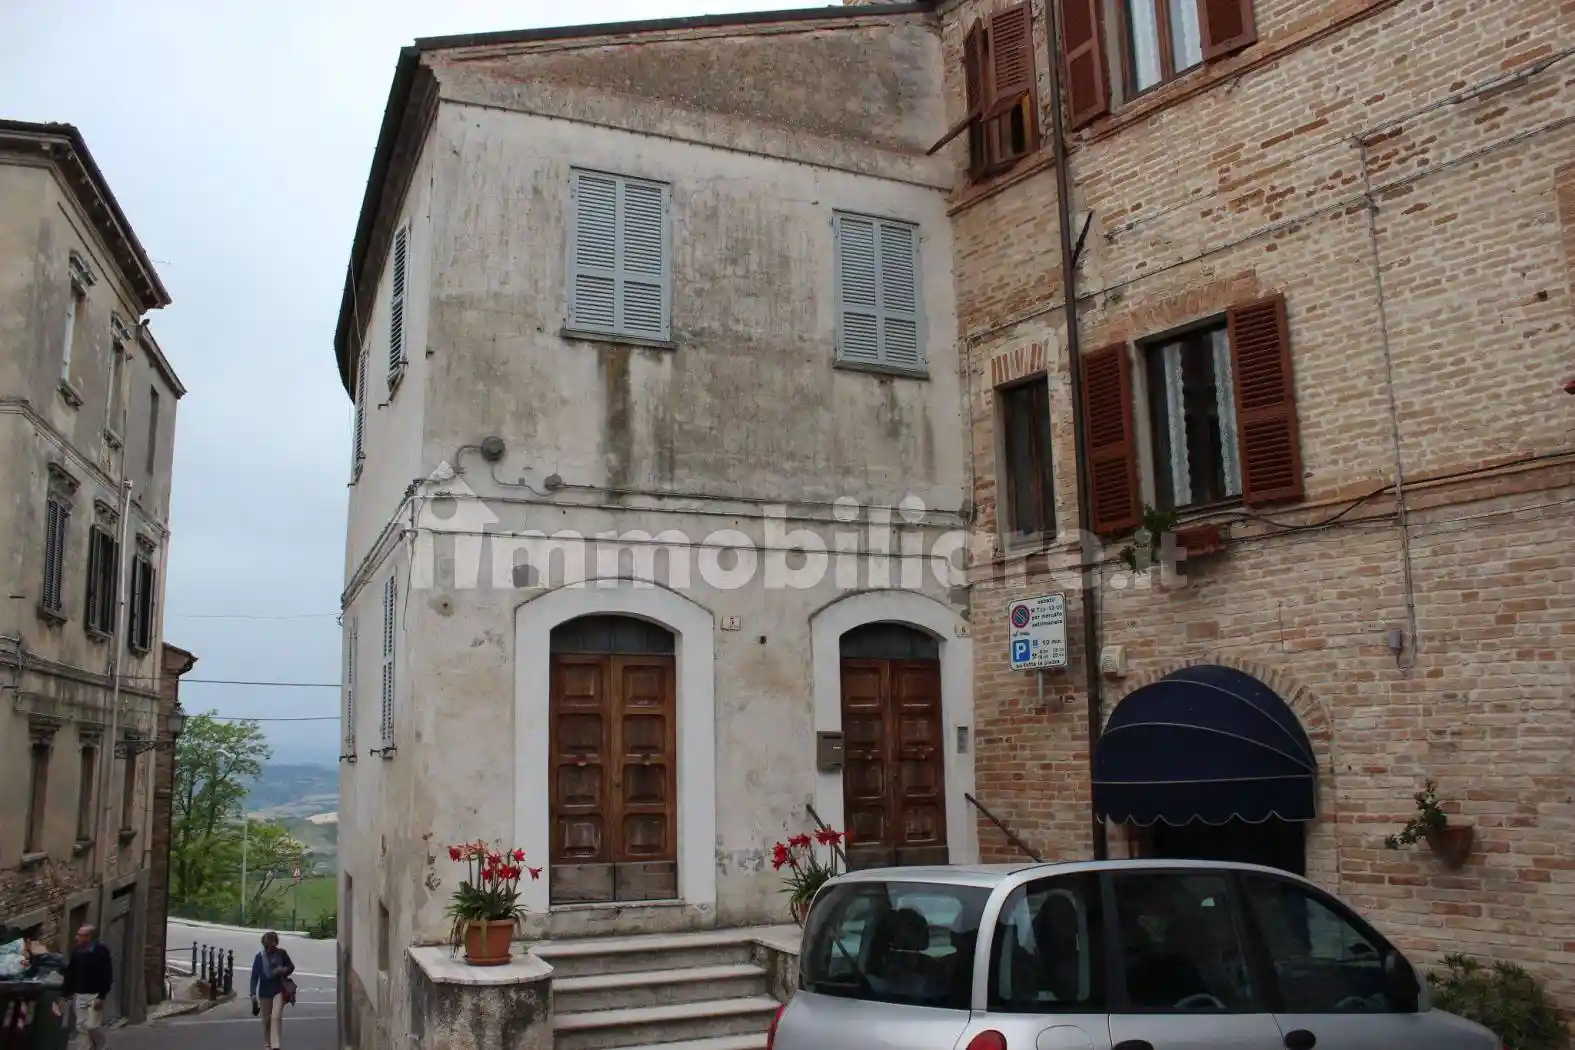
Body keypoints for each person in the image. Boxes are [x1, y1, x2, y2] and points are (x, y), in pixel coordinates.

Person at [62, 925, 112, 1049]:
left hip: (94, 995)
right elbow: (71, 973)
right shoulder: (77, 952)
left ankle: (101, 1044)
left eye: (79, 935)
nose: (76, 938)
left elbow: (107, 974)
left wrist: (102, 996)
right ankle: (86, 1047)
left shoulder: (101, 951)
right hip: (79, 994)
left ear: (88, 937)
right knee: (81, 1026)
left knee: (92, 1025)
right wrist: (66, 993)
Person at [249, 931, 295, 1050]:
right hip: (264, 992)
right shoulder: (259, 958)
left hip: (278, 990)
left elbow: (291, 967)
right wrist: (253, 993)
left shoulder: (281, 954)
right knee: (266, 1020)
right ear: (264, 944)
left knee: (275, 1016)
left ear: (275, 943)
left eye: (272, 946)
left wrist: (283, 970)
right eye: (267, 946)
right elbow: (254, 976)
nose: (269, 948)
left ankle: (275, 1045)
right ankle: (267, 1043)